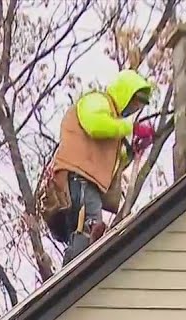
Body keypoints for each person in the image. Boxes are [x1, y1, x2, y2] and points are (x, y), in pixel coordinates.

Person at [45, 69, 156, 265]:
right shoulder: (97, 101)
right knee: (89, 225)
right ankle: (78, 271)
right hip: (77, 177)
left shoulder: (113, 124)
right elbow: (95, 125)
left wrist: (133, 150)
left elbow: (113, 162)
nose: (135, 108)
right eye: (135, 102)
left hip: (84, 181)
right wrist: (131, 128)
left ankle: (74, 268)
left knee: (84, 231)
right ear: (125, 94)